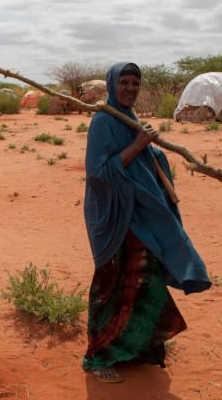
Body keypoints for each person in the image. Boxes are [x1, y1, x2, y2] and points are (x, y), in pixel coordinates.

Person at [82, 62, 211, 383]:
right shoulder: (102, 121)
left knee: (143, 279)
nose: (130, 88)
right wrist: (138, 145)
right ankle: (99, 355)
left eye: (135, 83)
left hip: (141, 214)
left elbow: (142, 163)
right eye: (123, 82)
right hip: (115, 216)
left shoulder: (130, 118)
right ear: (113, 86)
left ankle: (138, 347)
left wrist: (150, 148)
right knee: (112, 283)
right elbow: (100, 173)